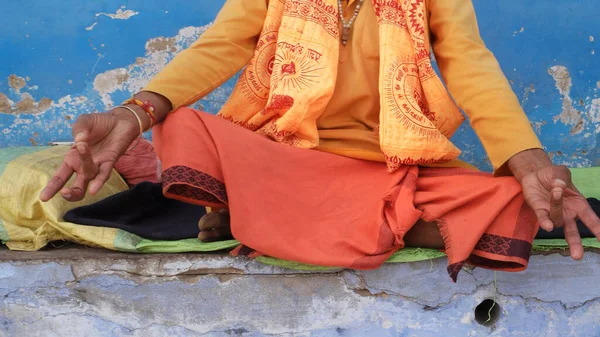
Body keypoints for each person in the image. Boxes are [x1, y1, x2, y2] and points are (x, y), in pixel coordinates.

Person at [40, 0, 600, 281]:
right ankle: (367, 222)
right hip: (281, 156)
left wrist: (530, 163)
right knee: (183, 125)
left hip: (384, 165)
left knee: (510, 202)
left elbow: (470, 62)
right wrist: (134, 112)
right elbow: (222, 45)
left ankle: (269, 219)